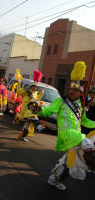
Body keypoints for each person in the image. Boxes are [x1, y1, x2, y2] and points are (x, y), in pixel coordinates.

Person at [36, 61, 95, 190]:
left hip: (76, 136)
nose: (71, 91)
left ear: (80, 93)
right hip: (67, 134)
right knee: (89, 145)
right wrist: (39, 109)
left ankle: (53, 180)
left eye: (75, 90)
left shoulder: (80, 105)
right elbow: (48, 111)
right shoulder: (60, 102)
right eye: (70, 89)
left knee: (67, 163)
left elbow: (85, 121)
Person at [17, 70, 44, 142]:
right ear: (31, 86)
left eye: (36, 87)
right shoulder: (26, 92)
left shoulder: (35, 93)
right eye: (34, 87)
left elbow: (37, 99)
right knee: (32, 117)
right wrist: (19, 83)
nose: (35, 88)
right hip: (26, 110)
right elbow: (19, 91)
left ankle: (23, 136)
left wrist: (41, 93)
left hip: (31, 110)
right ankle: (38, 126)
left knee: (27, 125)